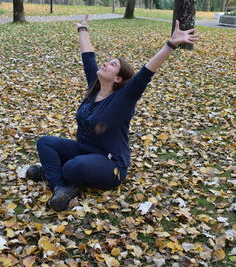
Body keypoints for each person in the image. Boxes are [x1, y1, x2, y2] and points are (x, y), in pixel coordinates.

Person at [26, 15, 199, 211]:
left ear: (118, 78)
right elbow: (88, 57)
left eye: (112, 64)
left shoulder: (124, 98)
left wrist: (171, 44)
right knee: (45, 142)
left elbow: (146, 72)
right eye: (107, 62)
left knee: (74, 167)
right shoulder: (95, 87)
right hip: (84, 150)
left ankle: (52, 172)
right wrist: (82, 30)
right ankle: (59, 186)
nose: (105, 64)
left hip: (111, 165)